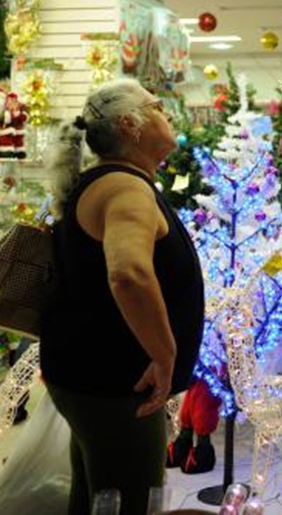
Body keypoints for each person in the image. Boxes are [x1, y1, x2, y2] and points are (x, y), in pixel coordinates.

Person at [39, 78, 205, 515]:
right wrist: (165, 354)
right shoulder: (125, 188)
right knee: (128, 500)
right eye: (158, 107)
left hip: (96, 375)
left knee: (98, 496)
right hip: (117, 383)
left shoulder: (112, 182)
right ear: (131, 125)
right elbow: (128, 274)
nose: (167, 114)